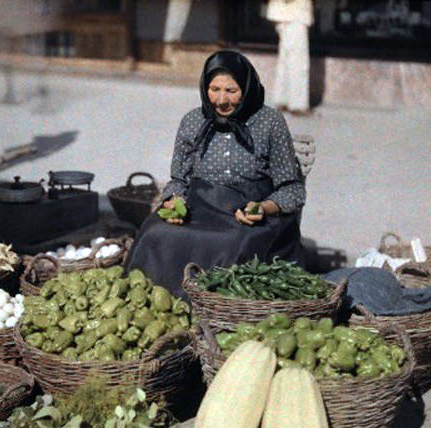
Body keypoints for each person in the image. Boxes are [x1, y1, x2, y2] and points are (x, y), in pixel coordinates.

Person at [125, 50, 305, 298]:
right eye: (214, 89)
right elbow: (178, 180)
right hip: (200, 208)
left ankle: (213, 310)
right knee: (156, 232)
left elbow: (292, 189)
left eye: (231, 91)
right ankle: (154, 302)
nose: (220, 101)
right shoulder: (192, 121)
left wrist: (263, 208)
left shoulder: (269, 121)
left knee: (231, 243)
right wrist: (174, 201)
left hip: (248, 215)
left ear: (247, 86)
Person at [265, 0, 313, 115]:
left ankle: (283, 99)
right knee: (298, 62)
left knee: (286, 61)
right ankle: (298, 104)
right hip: (294, 15)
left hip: (287, 15)